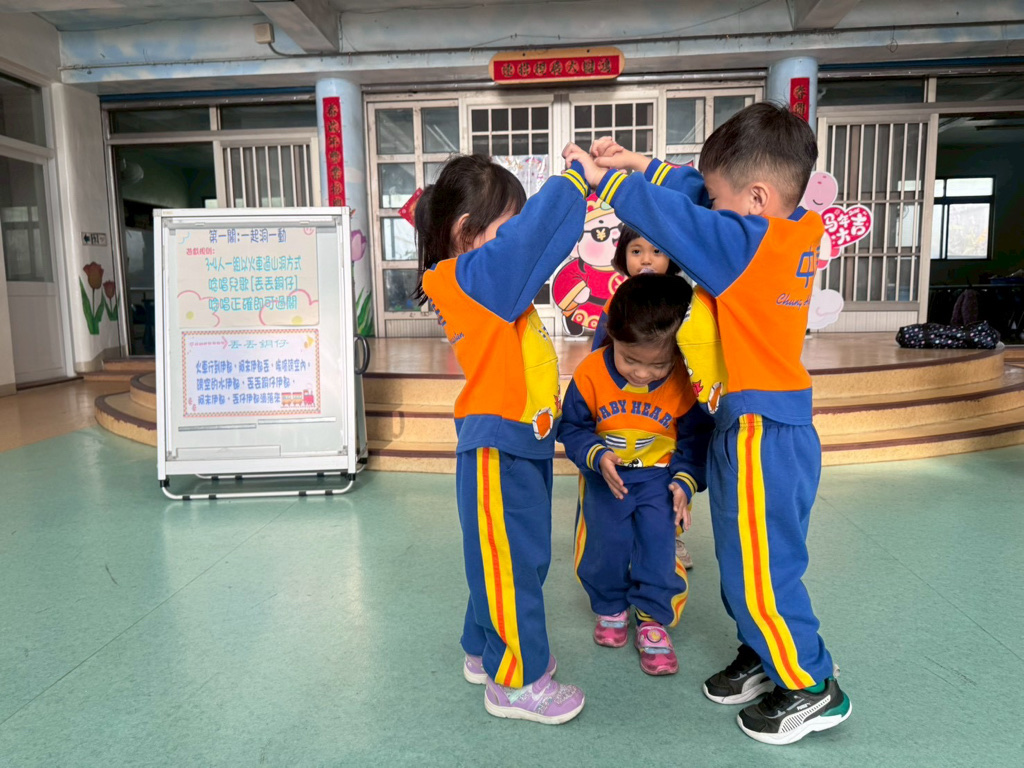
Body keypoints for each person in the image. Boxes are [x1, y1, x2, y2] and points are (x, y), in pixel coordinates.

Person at [568, 101, 852, 745]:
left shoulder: (747, 245)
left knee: (765, 568)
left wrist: (606, 180)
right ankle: (764, 650)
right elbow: (701, 193)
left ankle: (810, 685)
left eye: (722, 199)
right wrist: (643, 162)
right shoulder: (793, 227)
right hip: (757, 424)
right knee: (742, 557)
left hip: (761, 433)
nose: (710, 205)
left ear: (756, 200)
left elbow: (678, 218)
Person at [416, 153, 588, 725]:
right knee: (511, 566)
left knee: (508, 559)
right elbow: (537, 238)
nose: (519, 243)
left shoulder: (485, 279)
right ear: (465, 231)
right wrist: (574, 181)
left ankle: (482, 648)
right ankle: (515, 682)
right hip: (497, 446)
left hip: (519, 441)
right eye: (507, 230)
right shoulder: (470, 277)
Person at [558, 273, 713, 677]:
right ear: (612, 336)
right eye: (630, 360)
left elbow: (695, 439)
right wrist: (595, 456)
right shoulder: (590, 373)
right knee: (605, 545)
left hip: (659, 481)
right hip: (606, 479)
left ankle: (653, 619)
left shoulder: (684, 379)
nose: (642, 374)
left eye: (658, 364)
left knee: (658, 548)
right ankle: (610, 607)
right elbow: (572, 427)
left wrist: (685, 480)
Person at [591, 227, 695, 571]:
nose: (646, 259)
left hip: (668, 399)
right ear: (623, 256)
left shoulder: (683, 302)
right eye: (636, 251)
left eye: (656, 251)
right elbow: (600, 348)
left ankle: (670, 536)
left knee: (669, 470)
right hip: (624, 404)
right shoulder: (617, 301)